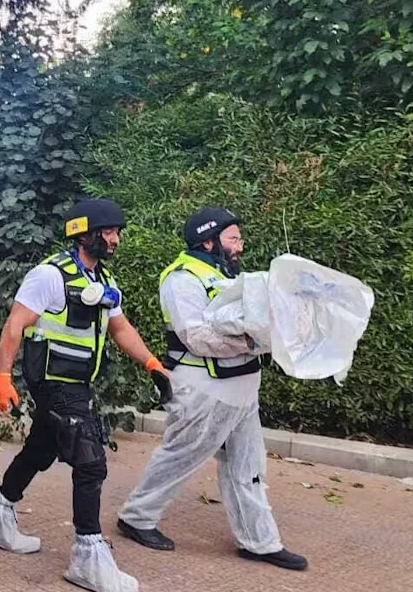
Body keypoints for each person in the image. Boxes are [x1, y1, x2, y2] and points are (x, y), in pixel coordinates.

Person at [0, 198, 173, 592]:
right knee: (90, 461)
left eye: (117, 233)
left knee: (40, 450)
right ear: (84, 233)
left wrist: (152, 363)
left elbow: (120, 328)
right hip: (53, 382)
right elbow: (15, 324)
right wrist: (2, 376)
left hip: (78, 384)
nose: (115, 239)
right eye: (109, 232)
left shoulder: (104, 281)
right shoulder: (49, 275)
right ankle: (87, 554)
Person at [117, 208, 308, 570]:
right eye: (233, 239)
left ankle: (259, 541)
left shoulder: (228, 275)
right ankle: (137, 517)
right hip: (204, 388)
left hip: (242, 388)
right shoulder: (182, 278)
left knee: (248, 465)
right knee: (181, 455)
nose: (240, 246)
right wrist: (255, 342)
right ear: (208, 241)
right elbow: (197, 337)